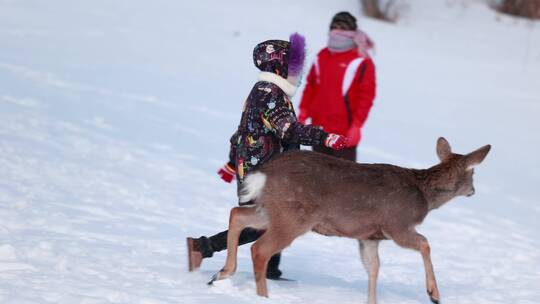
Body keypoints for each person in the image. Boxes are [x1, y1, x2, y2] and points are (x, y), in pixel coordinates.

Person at [186, 33, 348, 279]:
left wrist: (232, 161)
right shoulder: (269, 94)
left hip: (262, 167)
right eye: (293, 67)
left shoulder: (266, 91)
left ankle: (269, 267)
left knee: (276, 217)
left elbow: (243, 130)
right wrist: (323, 137)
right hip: (261, 172)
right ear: (279, 66)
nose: (298, 73)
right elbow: (289, 129)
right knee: (263, 221)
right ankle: (202, 247)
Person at [298, 12, 376, 162]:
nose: (338, 32)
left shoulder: (362, 60)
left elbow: (366, 97)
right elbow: (311, 86)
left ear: (352, 32)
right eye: (335, 27)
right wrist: (303, 111)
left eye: (343, 28)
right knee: (318, 175)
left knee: (344, 181)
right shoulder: (323, 55)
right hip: (318, 129)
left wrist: (357, 126)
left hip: (344, 132)